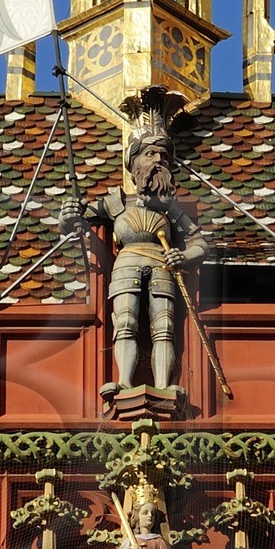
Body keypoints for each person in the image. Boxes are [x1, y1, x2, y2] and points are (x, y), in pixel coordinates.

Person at [69, 105, 206, 396]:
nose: (158, 161)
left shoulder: (170, 210)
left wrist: (183, 256)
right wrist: (67, 215)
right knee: (126, 322)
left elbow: (200, 244)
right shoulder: (116, 202)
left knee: (165, 327)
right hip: (127, 264)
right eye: (150, 154)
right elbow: (77, 224)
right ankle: (124, 383)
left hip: (162, 266)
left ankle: (163, 387)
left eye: (164, 157)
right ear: (134, 163)